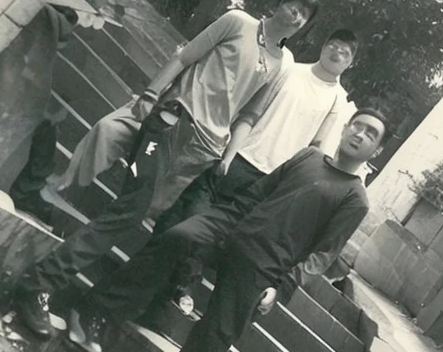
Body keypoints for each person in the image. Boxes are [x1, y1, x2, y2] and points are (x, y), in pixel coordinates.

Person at [12, 0, 319, 343]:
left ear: (304, 26)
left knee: (135, 217)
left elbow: (249, 113)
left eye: (304, 15)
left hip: (205, 149)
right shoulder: (238, 22)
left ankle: (66, 295)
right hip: (174, 122)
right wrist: (150, 94)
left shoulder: (282, 63)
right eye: (293, 6)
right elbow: (185, 56)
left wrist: (228, 155)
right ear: (279, 4)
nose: (295, 15)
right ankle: (39, 283)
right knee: (128, 213)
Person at [75, 108, 388, 352]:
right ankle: (96, 310)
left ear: (375, 151)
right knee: (177, 237)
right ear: (346, 127)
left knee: (219, 330)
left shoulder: (355, 198)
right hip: (233, 230)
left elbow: (322, 255)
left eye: (371, 134)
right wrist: (215, 222)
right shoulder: (309, 156)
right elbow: (258, 193)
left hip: (265, 266)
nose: (360, 134)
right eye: (357, 125)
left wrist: (282, 287)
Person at [154, 28, 359, 233]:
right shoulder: (290, 70)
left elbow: (315, 148)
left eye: (345, 52)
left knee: (216, 232)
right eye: (334, 45)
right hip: (240, 156)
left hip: (270, 179)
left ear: (350, 63)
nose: (337, 52)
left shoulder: (338, 100)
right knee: (182, 213)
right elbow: (252, 113)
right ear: (323, 47)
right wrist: (228, 156)